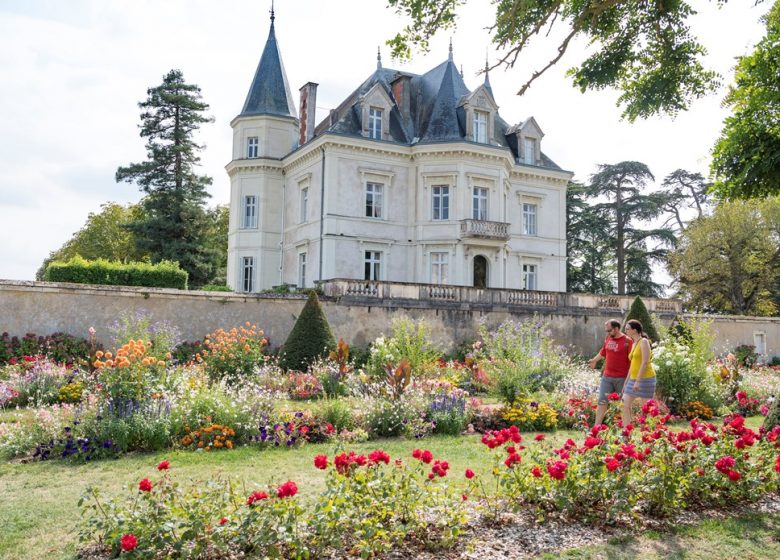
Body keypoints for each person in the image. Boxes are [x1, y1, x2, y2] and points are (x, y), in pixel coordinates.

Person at [588, 319, 633, 425]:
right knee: (602, 402)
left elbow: (633, 360)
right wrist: (594, 360)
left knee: (624, 405)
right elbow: (602, 352)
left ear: (617, 328)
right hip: (607, 377)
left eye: (610, 330)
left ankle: (627, 431)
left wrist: (631, 378)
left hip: (622, 378)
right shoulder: (608, 338)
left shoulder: (627, 341)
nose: (608, 333)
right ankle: (596, 429)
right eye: (606, 331)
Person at [622, 319, 657, 425]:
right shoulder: (633, 344)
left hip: (646, 379)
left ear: (635, 330)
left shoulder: (644, 342)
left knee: (647, 409)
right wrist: (626, 382)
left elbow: (645, 362)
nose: (625, 331)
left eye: (627, 329)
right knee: (625, 404)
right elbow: (632, 365)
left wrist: (638, 381)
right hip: (633, 379)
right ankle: (626, 433)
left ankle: (651, 433)